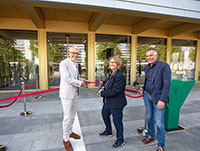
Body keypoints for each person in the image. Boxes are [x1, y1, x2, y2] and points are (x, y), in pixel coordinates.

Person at [138, 48, 171, 151]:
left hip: (158, 98)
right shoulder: (147, 67)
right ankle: (151, 136)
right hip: (147, 96)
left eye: (151, 55)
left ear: (156, 56)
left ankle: (161, 144)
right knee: (149, 118)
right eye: (147, 56)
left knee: (159, 122)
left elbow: (167, 85)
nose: (149, 57)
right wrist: (142, 89)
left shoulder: (164, 66)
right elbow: (148, 81)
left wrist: (162, 100)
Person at [59, 47, 87, 151]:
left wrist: (83, 80)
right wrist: (80, 83)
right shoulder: (63, 63)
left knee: (73, 114)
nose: (75, 55)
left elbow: (75, 78)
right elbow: (66, 78)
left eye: (77, 53)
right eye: (73, 53)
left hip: (75, 93)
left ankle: (69, 132)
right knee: (67, 116)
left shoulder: (75, 64)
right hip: (66, 94)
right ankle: (65, 139)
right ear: (69, 53)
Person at [99, 56, 127, 149]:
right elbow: (109, 84)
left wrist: (103, 93)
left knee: (117, 122)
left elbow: (115, 90)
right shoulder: (112, 73)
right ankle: (108, 131)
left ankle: (120, 139)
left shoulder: (120, 76)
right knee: (104, 114)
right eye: (110, 62)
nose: (112, 64)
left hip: (116, 103)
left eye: (114, 62)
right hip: (108, 102)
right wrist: (104, 83)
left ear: (118, 64)